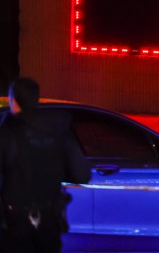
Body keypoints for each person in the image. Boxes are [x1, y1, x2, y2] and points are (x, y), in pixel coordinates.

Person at [0, 77, 91, 253]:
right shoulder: (58, 130)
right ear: (36, 99)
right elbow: (82, 175)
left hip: (15, 223)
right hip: (50, 220)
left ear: (13, 100)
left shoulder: (7, 132)